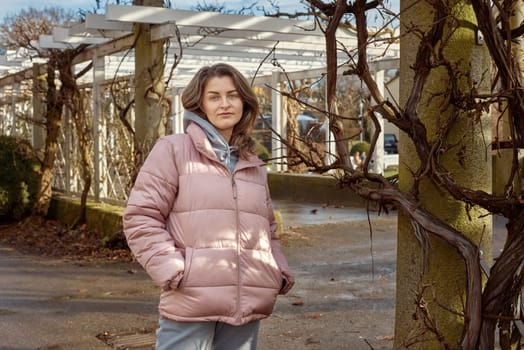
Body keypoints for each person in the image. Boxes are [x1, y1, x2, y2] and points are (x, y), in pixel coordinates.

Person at [123, 63, 294, 350]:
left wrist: (276, 268)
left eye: (232, 95)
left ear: (244, 102)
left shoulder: (252, 163)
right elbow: (141, 217)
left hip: (248, 299)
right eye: (214, 97)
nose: (225, 104)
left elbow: (268, 228)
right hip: (192, 297)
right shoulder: (174, 149)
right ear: (200, 105)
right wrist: (175, 269)